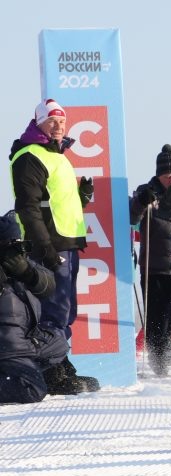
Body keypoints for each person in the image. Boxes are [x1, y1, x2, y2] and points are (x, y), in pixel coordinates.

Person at [9, 98, 99, 393]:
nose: (59, 126)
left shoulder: (57, 154)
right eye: (52, 121)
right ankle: (51, 371)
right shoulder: (30, 155)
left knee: (65, 309)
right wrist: (45, 249)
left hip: (66, 242)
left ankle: (60, 362)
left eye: (62, 122)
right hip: (47, 246)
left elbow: (55, 204)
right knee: (52, 310)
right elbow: (28, 207)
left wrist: (81, 197)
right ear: (38, 123)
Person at [0, 210, 68, 403]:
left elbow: (49, 286)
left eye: (19, 245)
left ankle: (57, 379)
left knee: (59, 343)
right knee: (32, 390)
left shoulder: (23, 263)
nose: (17, 252)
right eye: (10, 246)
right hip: (8, 345)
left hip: (28, 338)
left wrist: (28, 273)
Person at [129, 144, 171, 376]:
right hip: (155, 267)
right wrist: (142, 202)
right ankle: (159, 364)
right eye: (166, 175)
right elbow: (132, 218)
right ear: (159, 174)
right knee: (158, 320)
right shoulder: (147, 191)